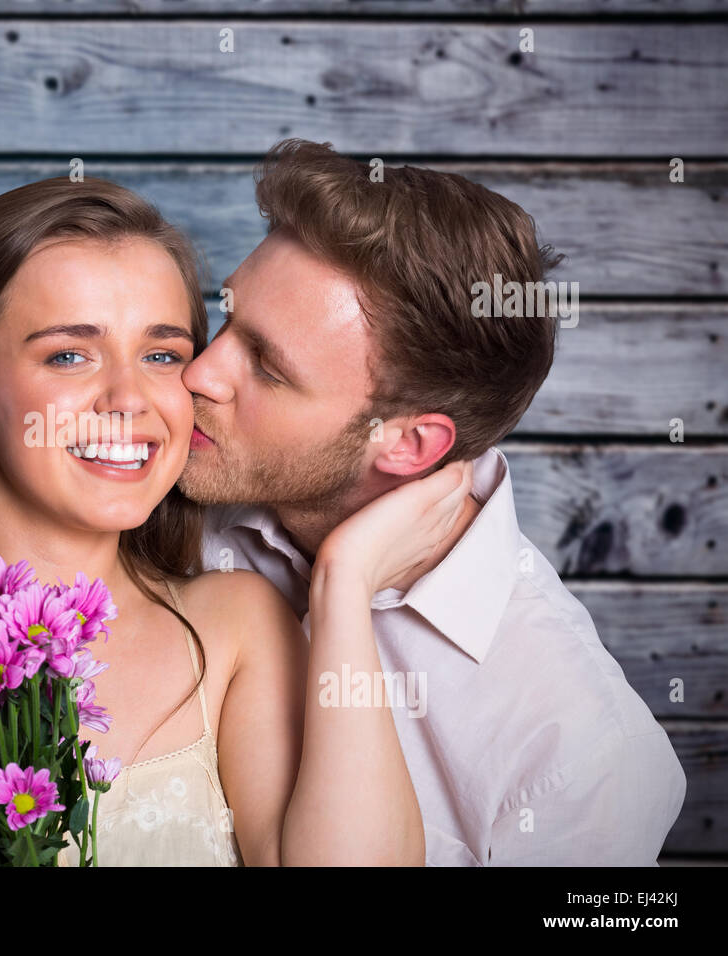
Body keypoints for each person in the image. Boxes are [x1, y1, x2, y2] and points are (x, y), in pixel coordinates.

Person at [0, 174, 474, 866]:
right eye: (70, 356)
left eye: (164, 355)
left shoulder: (237, 630)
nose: (128, 401)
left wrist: (343, 582)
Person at [181, 139, 687, 865]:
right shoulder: (169, 494)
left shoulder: (585, 755)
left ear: (410, 445)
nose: (199, 374)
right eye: (226, 321)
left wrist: (341, 582)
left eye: (266, 366)